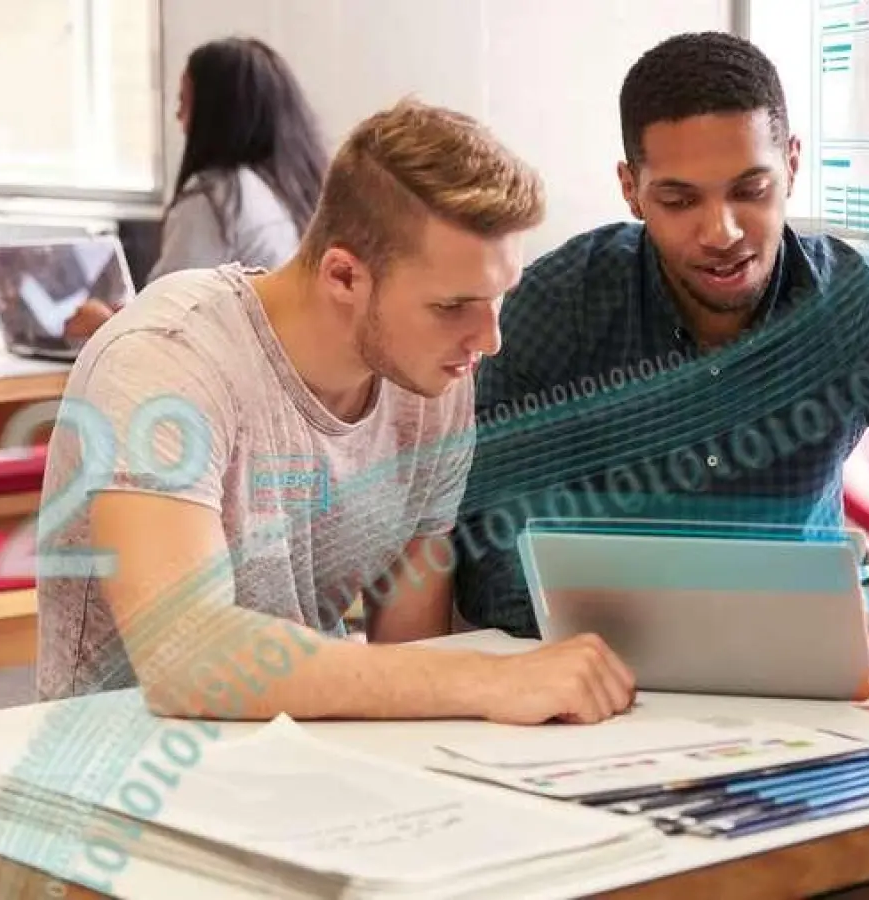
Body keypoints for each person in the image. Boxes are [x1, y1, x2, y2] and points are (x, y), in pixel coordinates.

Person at [36, 98, 636, 727]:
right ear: (345, 276)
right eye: (453, 306)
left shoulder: (430, 383)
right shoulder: (168, 359)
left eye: (497, 300)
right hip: (120, 772)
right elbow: (187, 659)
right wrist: (489, 678)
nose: (490, 341)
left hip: (304, 758)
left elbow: (411, 656)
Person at [451, 32, 869, 648]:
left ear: (793, 165)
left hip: (809, 657)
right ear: (631, 190)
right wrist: (614, 619)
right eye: (679, 200)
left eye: (751, 190)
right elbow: (484, 536)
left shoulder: (867, 312)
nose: (721, 232)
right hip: (599, 659)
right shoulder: (562, 303)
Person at [68, 37, 330, 338]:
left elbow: (165, 323)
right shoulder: (291, 191)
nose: (179, 118)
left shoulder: (216, 200)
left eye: (184, 102)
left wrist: (102, 324)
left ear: (216, 112)